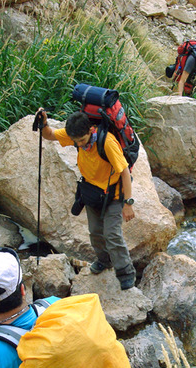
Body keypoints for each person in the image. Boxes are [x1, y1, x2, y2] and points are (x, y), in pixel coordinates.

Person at [37, 108, 136, 290]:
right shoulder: (75, 134)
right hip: (92, 192)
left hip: (113, 195)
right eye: (76, 142)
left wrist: (128, 203)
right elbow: (49, 135)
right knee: (95, 232)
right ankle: (104, 261)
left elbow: (124, 173)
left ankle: (126, 272)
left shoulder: (107, 143)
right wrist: (43, 122)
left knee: (112, 234)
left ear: (91, 129)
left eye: (82, 141)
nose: (80, 145)